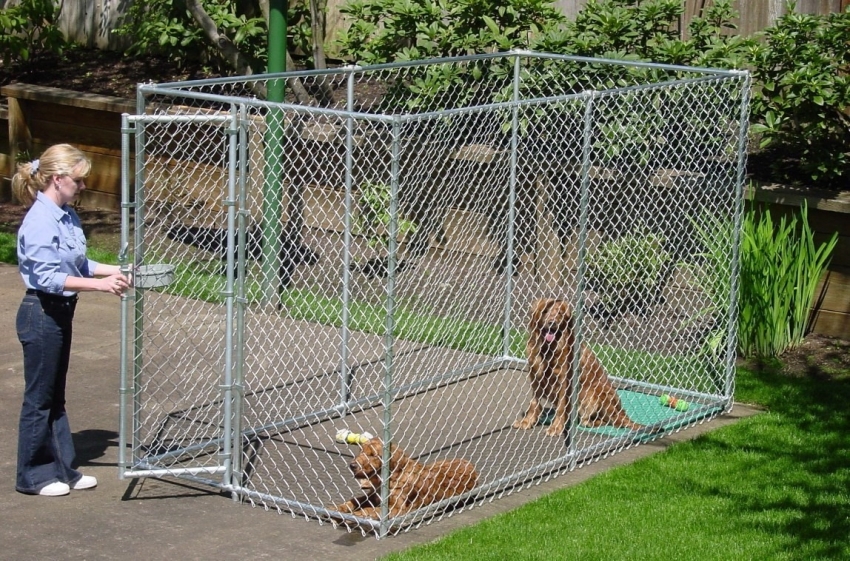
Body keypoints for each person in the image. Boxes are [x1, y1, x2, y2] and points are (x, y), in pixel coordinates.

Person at [11, 144, 130, 497]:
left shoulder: (66, 216)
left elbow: (78, 264)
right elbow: (48, 277)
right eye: (78, 180)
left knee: (55, 395)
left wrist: (121, 271)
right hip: (41, 312)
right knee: (40, 398)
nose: (83, 186)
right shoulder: (39, 220)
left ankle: (62, 468)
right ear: (59, 179)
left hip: (61, 311)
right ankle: (32, 475)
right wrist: (101, 285)